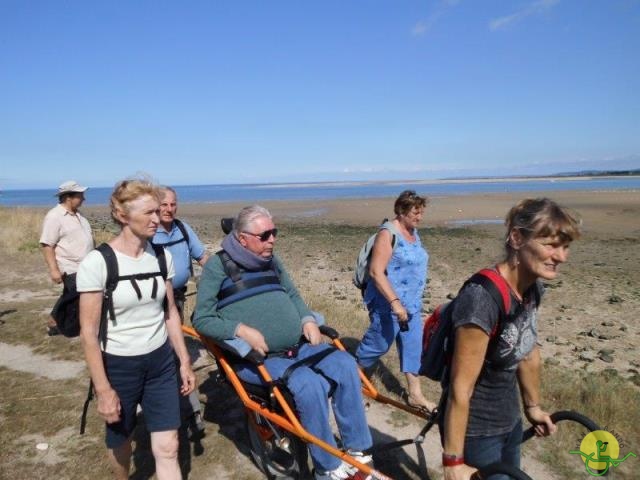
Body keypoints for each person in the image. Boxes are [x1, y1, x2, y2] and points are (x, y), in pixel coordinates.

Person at [193, 205, 373, 480]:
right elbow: (202, 319)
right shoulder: (219, 266)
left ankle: (358, 450)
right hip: (259, 360)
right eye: (264, 235)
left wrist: (307, 319)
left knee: (345, 363)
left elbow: (292, 293)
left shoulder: (272, 261)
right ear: (242, 238)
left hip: (298, 346)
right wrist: (240, 330)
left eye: (273, 232)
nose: (272, 239)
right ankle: (328, 468)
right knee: (308, 384)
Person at [441, 198, 580, 480]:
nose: (561, 256)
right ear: (517, 238)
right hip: (476, 431)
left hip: (510, 421)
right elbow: (460, 388)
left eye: (564, 247)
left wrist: (533, 407)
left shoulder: (533, 289)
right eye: (551, 245)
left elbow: (528, 352)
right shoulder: (481, 299)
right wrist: (452, 461)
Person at [77, 178, 196, 480]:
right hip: (119, 366)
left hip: (160, 364)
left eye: (159, 211)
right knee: (122, 444)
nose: (158, 219)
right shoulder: (98, 263)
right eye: (149, 213)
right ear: (121, 214)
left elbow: (170, 312)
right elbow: (89, 334)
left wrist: (183, 361)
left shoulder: (160, 257)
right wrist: (103, 390)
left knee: (169, 446)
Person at [355, 190, 435, 412]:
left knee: (413, 348)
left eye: (421, 212)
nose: (419, 217)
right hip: (387, 304)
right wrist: (395, 302)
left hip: (412, 304)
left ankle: (416, 395)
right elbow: (376, 272)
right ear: (400, 211)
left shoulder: (413, 232)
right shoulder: (387, 234)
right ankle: (350, 382)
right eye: (415, 213)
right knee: (376, 346)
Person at [152, 186, 209, 435]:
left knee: (174, 351)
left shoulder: (183, 229)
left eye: (172, 204)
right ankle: (186, 411)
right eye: (163, 205)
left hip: (179, 299)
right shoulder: (149, 233)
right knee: (168, 354)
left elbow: (202, 257)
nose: (168, 209)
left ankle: (181, 407)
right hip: (154, 302)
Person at [40, 180, 94, 336]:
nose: (84, 198)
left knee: (71, 296)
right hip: (70, 266)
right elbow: (47, 244)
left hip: (86, 265)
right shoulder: (54, 216)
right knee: (75, 296)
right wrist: (54, 270)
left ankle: (56, 321)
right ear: (68, 197)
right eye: (80, 195)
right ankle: (62, 323)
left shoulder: (79, 215)